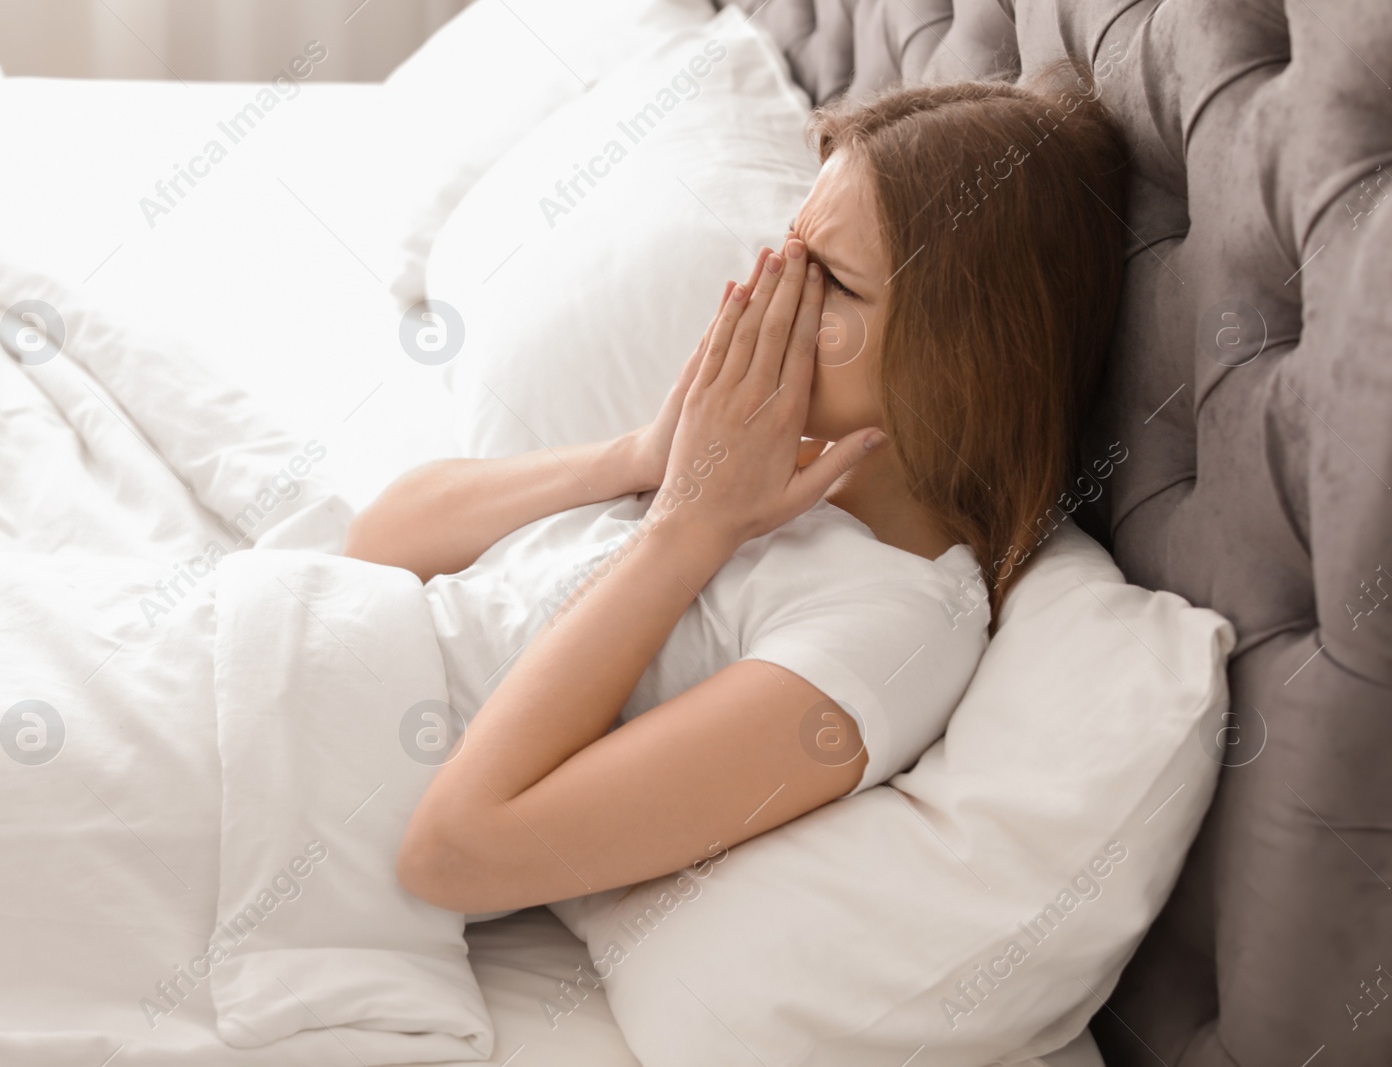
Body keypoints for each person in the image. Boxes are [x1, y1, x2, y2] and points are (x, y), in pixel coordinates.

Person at [344, 67, 1130, 916]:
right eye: (786, 247)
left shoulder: (894, 630)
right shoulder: (746, 462)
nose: (768, 290)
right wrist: (642, 459)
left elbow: (453, 855)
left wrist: (685, 529)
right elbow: (375, 545)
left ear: (959, 364)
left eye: (826, 274)